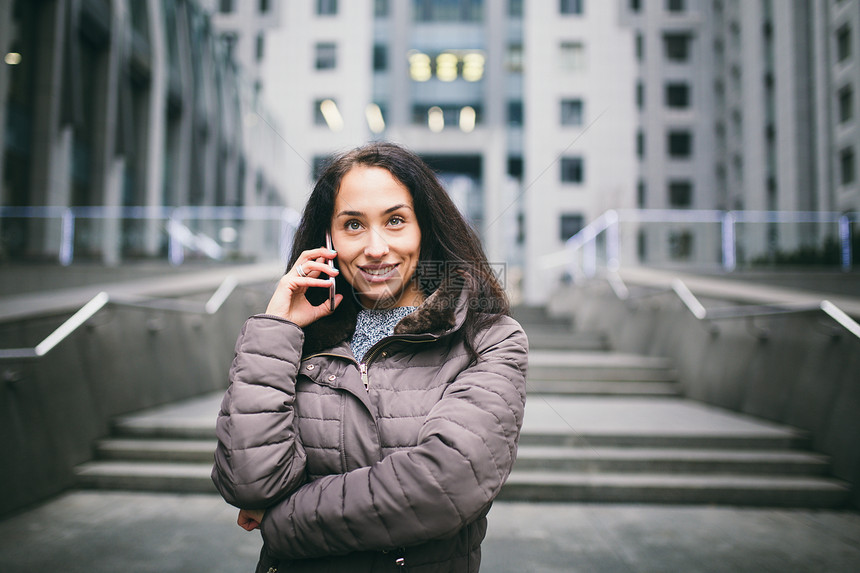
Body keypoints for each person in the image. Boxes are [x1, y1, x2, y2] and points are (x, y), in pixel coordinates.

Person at [211, 142, 528, 572]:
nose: (375, 248)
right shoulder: (296, 340)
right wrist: (276, 326)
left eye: (395, 221)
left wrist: (282, 522)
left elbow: (442, 486)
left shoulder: (486, 339)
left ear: (425, 229)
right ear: (328, 239)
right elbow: (250, 481)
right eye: (353, 225)